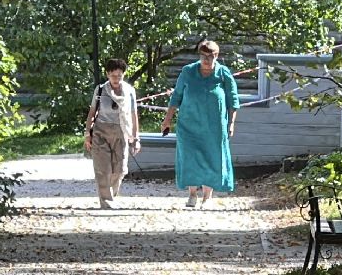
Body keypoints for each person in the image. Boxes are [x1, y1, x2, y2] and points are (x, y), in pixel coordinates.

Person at [160, 39, 238, 208]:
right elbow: (176, 96)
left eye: (210, 56)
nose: (206, 59)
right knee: (190, 158)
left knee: (212, 157)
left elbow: (233, 100)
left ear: (216, 56)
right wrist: (167, 119)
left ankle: (207, 197)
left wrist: (231, 123)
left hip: (214, 127)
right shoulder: (188, 71)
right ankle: (192, 194)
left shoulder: (223, 73)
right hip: (189, 125)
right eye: (203, 55)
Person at [83, 58, 141, 209]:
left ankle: (112, 195)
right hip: (101, 132)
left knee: (120, 170)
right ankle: (106, 201)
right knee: (102, 169)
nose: (116, 79)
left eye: (119, 75)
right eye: (113, 75)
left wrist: (136, 138)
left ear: (124, 74)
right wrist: (88, 134)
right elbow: (92, 112)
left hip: (122, 131)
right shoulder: (100, 90)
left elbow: (133, 115)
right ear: (107, 74)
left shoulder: (129, 91)